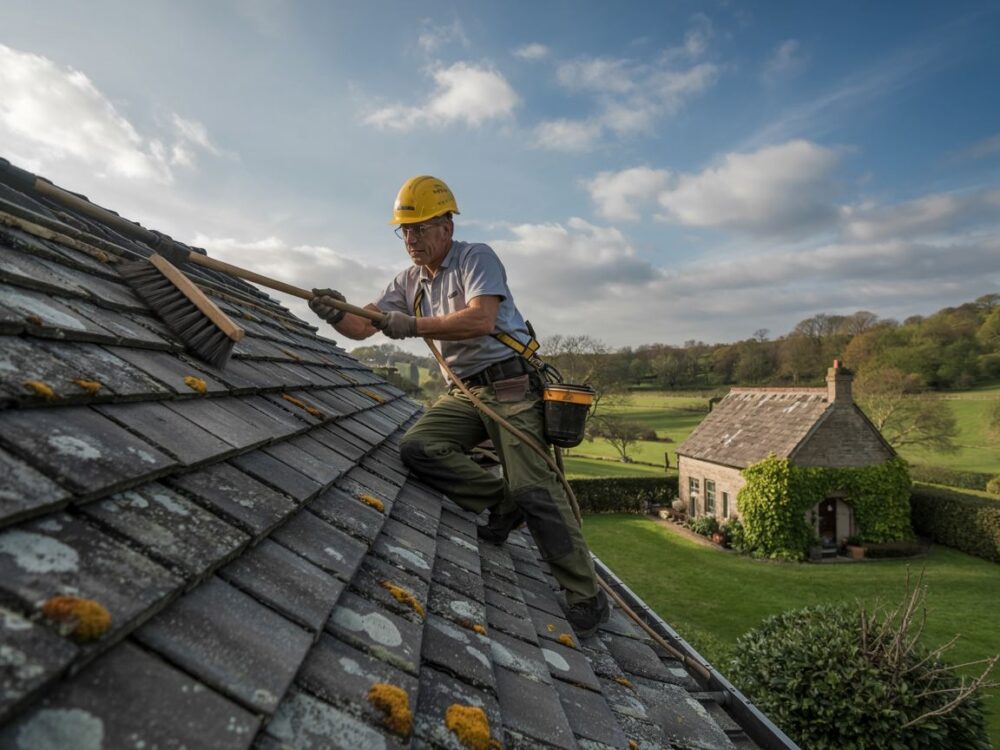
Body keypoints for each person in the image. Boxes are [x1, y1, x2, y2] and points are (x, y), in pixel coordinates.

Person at [309, 175, 609, 635]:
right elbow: (363, 326)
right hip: (465, 392)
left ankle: (586, 595)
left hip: (511, 387)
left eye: (420, 228)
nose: (411, 239)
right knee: (419, 447)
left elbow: (481, 318)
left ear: (446, 226)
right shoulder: (409, 280)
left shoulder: (476, 258)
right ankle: (499, 501)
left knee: (536, 488)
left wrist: (412, 325)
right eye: (404, 231)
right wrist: (334, 312)